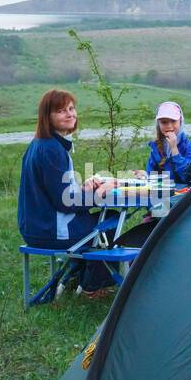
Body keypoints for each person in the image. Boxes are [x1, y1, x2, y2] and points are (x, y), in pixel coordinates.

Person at [17, 89, 114, 296]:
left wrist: (84, 188)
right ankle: (90, 287)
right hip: (50, 231)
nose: (70, 114)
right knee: (111, 220)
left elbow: (57, 192)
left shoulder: (39, 145)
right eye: (61, 111)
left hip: (35, 228)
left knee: (100, 222)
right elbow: (65, 203)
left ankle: (72, 280)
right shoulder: (52, 149)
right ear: (48, 117)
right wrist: (100, 195)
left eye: (71, 108)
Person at [145, 101, 191, 185]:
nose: (169, 126)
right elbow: (151, 175)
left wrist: (174, 149)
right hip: (163, 192)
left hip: (184, 194)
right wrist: (143, 175)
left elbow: (187, 176)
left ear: (180, 121)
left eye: (173, 121)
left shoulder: (189, 146)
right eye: (164, 122)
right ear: (158, 124)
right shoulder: (156, 146)